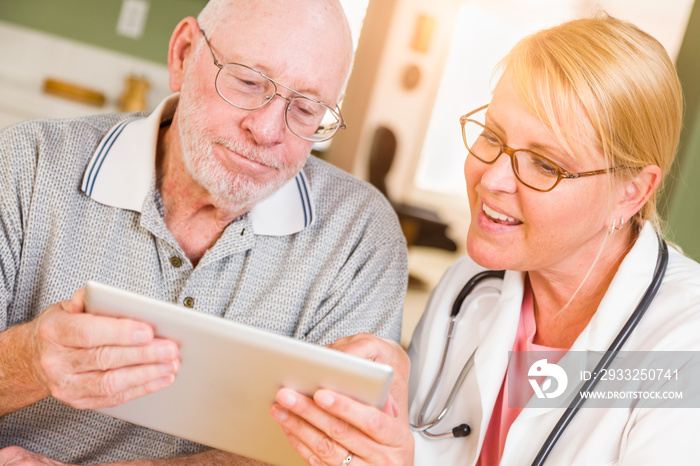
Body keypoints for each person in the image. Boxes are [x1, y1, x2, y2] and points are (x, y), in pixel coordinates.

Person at [271, 14, 700, 465]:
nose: (492, 178)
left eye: (546, 165)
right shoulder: (469, 286)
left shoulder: (683, 344)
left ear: (631, 193)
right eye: (492, 136)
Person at [0, 0, 408, 464]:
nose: (268, 130)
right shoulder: (24, 166)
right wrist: (28, 360)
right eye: (249, 82)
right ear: (183, 54)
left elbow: (333, 453)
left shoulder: (358, 235)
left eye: (307, 108)